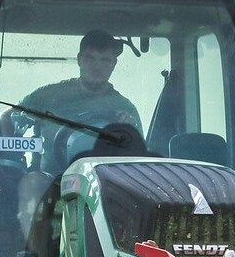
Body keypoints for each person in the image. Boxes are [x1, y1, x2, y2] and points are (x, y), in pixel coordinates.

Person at [19, 29, 143, 176]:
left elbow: (138, 160)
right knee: (32, 184)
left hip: (104, 184)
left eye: (105, 60)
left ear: (114, 64)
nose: (97, 67)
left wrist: (127, 130)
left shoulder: (124, 108)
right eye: (90, 59)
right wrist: (7, 159)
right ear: (79, 59)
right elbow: (9, 117)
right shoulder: (47, 96)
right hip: (49, 181)